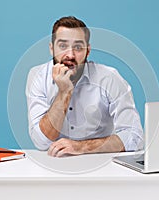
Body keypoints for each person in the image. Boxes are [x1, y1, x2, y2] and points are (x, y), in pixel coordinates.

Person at [26, 16, 143, 157]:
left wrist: (81, 147)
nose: (70, 54)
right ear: (52, 49)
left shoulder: (109, 78)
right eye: (62, 46)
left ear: (87, 51)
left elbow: (135, 138)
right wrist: (64, 92)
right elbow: (41, 142)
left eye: (78, 47)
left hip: (101, 164)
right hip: (53, 163)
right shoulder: (38, 76)